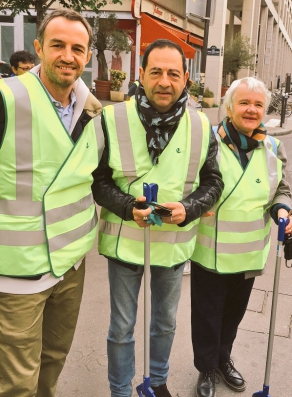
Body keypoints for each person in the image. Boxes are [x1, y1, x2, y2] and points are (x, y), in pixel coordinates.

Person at [92, 38, 223, 397]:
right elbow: (98, 181)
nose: (164, 81)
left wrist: (192, 207)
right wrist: (125, 206)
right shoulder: (111, 118)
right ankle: (120, 390)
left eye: (173, 74)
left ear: (185, 80)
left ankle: (158, 382)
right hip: (124, 243)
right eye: (156, 72)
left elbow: (214, 180)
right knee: (121, 327)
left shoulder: (201, 126)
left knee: (164, 323)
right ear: (142, 74)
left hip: (173, 246)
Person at [0, 8, 104, 397]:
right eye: (57, 45)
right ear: (38, 47)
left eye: (78, 48)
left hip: (70, 266)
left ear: (88, 56)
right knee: (17, 384)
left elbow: (97, 179)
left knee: (53, 361)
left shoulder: (91, 110)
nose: (68, 55)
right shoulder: (7, 98)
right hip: (17, 275)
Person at [190, 77, 292, 397]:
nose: (251, 110)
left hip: (250, 251)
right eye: (244, 103)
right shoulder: (207, 141)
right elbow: (185, 182)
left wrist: (282, 211)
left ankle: (223, 359)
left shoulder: (273, 147)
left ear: (265, 110)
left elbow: (281, 189)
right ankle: (206, 369)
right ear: (229, 106)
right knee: (207, 315)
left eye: (258, 104)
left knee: (234, 314)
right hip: (211, 250)